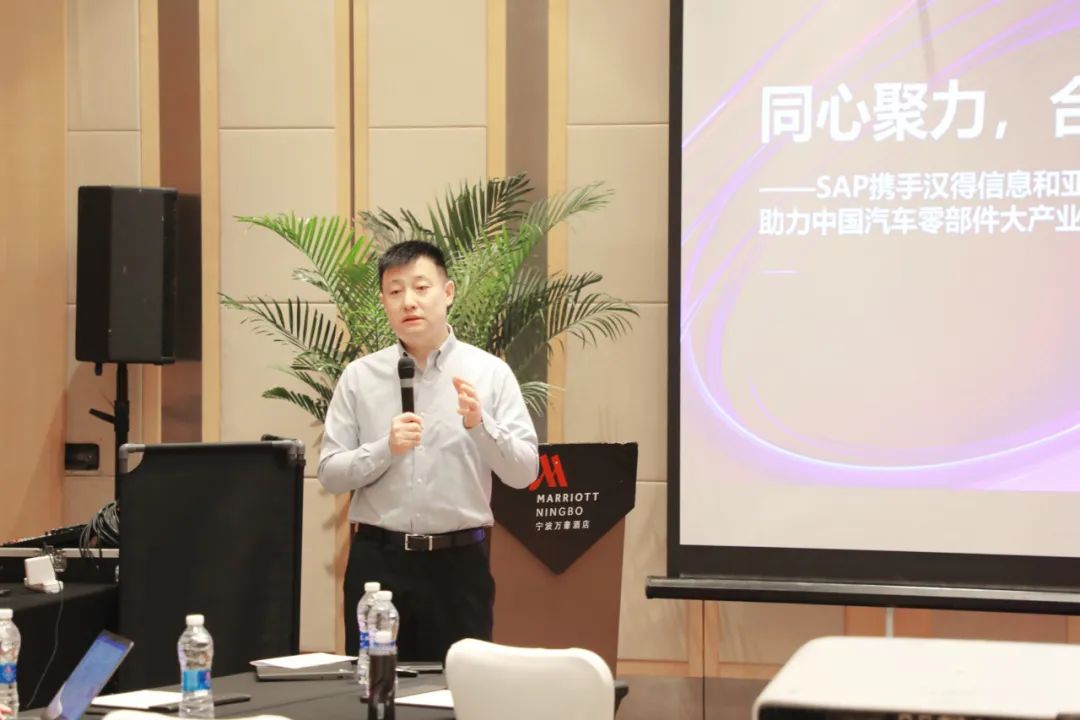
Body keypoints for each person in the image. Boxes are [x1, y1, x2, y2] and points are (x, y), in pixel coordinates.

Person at [318, 240, 539, 662]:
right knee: (376, 687)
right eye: (395, 291)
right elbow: (329, 473)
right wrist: (385, 448)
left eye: (421, 287)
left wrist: (480, 425)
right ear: (384, 302)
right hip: (378, 566)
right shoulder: (360, 377)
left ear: (448, 292)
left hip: (459, 566)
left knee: (457, 687)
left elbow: (525, 472)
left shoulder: (490, 373)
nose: (409, 301)